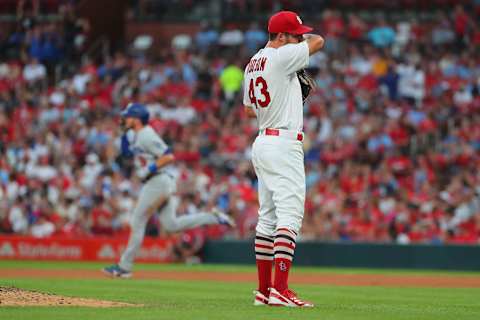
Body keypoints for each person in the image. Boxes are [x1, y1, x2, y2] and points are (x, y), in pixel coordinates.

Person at [243, 11, 324, 307]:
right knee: (289, 216)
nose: (300, 37)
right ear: (280, 36)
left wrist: (285, 97)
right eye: (295, 34)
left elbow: (249, 111)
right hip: (283, 143)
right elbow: (319, 41)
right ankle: (281, 289)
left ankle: (264, 291)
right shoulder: (280, 56)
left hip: (263, 140)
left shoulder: (253, 63)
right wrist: (303, 43)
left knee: (267, 219)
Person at [103, 103, 235, 278]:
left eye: (128, 116)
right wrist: (124, 136)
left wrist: (149, 168)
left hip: (158, 181)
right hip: (158, 182)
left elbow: (168, 155)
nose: (124, 119)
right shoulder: (134, 135)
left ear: (136, 118)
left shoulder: (147, 134)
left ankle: (125, 267)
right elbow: (127, 154)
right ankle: (213, 217)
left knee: (137, 220)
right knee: (171, 225)